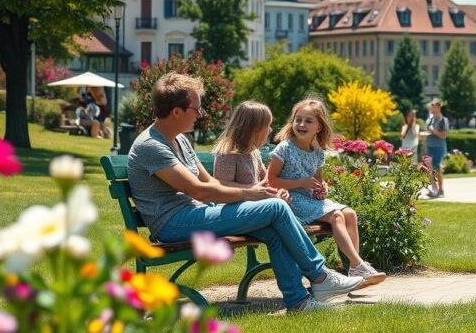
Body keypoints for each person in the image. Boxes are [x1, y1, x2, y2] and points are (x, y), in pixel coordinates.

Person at [126, 73, 365, 312]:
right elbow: (199, 191)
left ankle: (299, 302)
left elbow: (209, 182)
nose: (200, 114)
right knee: (276, 207)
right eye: (196, 109)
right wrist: (252, 195)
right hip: (173, 223)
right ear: (176, 111)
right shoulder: (152, 146)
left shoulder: (180, 140)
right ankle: (320, 276)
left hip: (197, 213)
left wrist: (257, 192)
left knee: (272, 227)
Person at [268, 98, 386, 285]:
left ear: (319, 127)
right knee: (336, 216)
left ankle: (354, 271)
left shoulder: (317, 152)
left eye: (308, 121)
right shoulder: (285, 148)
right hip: (291, 201)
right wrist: (302, 183)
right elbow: (271, 181)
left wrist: (321, 189)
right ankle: (358, 265)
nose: (301, 124)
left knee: (350, 213)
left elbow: (318, 181)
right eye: (298, 119)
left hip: (311, 201)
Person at [424, 98, 449, 198]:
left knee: (436, 167)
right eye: (431, 106)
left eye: (433, 107)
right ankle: (434, 189)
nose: (432, 108)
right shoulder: (430, 119)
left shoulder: (443, 120)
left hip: (439, 147)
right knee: (429, 168)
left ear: (438, 107)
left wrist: (434, 131)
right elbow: (428, 130)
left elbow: (444, 135)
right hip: (429, 145)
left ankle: (441, 190)